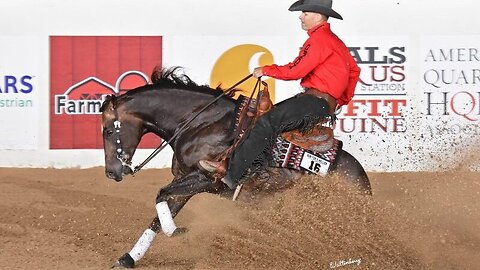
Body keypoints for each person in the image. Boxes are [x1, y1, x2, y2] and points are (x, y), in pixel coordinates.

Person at [199, 0, 360, 189]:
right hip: (320, 102)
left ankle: (233, 173)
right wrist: (338, 101)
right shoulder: (335, 41)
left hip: (314, 101)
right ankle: (260, 171)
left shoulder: (319, 39)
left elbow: (295, 70)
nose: (301, 16)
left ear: (317, 16)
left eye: (305, 13)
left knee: (265, 122)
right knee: (270, 121)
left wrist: (265, 70)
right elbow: (354, 72)